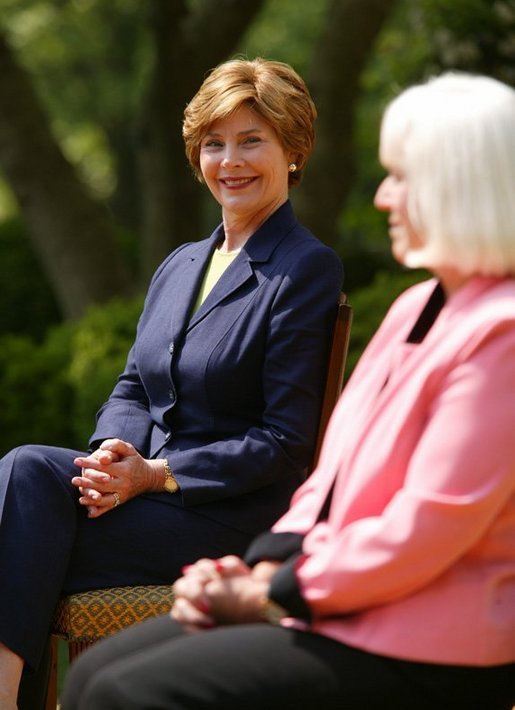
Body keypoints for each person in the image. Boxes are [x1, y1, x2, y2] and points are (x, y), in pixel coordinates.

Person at [62, 71, 515, 710]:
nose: (384, 196)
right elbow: (331, 479)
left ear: (468, 186)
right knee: (92, 674)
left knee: (125, 691)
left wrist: (279, 590)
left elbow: (428, 527)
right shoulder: (416, 307)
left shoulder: (503, 334)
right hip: (341, 603)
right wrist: (265, 563)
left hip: (428, 640)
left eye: (404, 178)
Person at [0, 57, 344, 709]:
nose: (230, 161)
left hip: (224, 519)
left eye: (251, 141)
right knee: (22, 518)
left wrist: (155, 474)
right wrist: (111, 456)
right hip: (137, 504)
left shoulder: (305, 269)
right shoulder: (180, 264)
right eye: (214, 143)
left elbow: (285, 441)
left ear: (293, 152)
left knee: (23, 479)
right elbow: (132, 388)